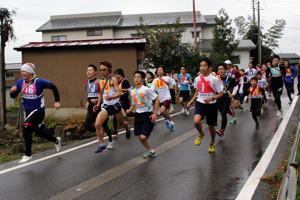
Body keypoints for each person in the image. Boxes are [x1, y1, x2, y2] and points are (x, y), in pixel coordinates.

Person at [10, 63, 61, 164]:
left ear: (30, 72)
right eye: (21, 71)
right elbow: (13, 96)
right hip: (28, 112)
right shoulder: (20, 82)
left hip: (39, 110)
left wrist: (57, 101)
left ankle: (28, 155)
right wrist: (12, 92)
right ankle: (56, 140)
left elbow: (53, 87)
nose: (22, 73)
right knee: (39, 132)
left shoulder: (39, 82)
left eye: (24, 71)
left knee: (25, 128)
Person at [93, 60, 131, 153]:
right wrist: (97, 105)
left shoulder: (113, 79)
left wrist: (111, 97)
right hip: (106, 106)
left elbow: (119, 94)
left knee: (122, 124)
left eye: (104, 69)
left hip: (115, 106)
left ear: (109, 69)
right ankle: (102, 145)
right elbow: (101, 95)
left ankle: (127, 128)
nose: (102, 72)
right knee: (97, 124)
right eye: (100, 70)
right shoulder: (101, 81)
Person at [187, 58, 223, 153]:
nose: (202, 68)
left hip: (211, 105)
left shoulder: (214, 79)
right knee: (196, 121)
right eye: (201, 66)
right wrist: (191, 101)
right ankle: (201, 133)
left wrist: (212, 99)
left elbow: (221, 93)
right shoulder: (197, 79)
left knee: (211, 128)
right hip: (200, 103)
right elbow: (197, 92)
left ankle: (212, 141)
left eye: (204, 65)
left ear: (210, 67)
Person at [126, 71, 160, 158]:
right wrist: (130, 110)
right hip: (138, 115)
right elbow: (134, 104)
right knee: (139, 136)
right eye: (135, 77)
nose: (136, 79)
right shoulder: (133, 91)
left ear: (142, 79)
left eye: (138, 77)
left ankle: (149, 127)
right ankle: (151, 151)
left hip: (147, 114)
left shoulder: (146, 90)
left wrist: (155, 113)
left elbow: (157, 99)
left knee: (143, 137)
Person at [84, 64, 114, 148]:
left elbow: (103, 93)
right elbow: (88, 94)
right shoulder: (86, 83)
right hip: (91, 107)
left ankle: (111, 140)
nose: (88, 72)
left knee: (104, 125)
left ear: (95, 72)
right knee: (87, 126)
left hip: (101, 106)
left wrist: (97, 100)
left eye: (90, 70)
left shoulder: (100, 82)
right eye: (87, 70)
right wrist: (87, 102)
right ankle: (99, 131)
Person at [151, 66, 178, 131]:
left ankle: (166, 121)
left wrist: (176, 93)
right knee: (165, 112)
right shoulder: (155, 80)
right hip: (160, 98)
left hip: (167, 97)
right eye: (158, 70)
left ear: (163, 71)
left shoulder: (167, 78)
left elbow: (174, 84)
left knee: (162, 110)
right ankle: (171, 122)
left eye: (161, 70)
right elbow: (152, 90)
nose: (159, 71)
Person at [216, 63, 238, 137]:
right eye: (219, 69)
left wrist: (233, 94)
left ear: (225, 70)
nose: (221, 71)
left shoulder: (230, 79)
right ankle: (228, 109)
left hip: (226, 97)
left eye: (222, 69)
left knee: (223, 113)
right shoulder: (216, 79)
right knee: (221, 110)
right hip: (218, 97)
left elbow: (236, 86)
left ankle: (222, 130)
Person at [112, 68, 132, 135]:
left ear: (121, 74)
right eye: (115, 74)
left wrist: (121, 89)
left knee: (128, 114)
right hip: (118, 101)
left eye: (117, 74)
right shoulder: (115, 82)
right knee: (115, 116)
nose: (116, 76)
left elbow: (130, 89)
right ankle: (115, 130)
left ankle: (141, 117)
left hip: (125, 100)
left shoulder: (124, 81)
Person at [223, 60, 243, 124]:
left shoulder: (235, 71)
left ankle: (239, 104)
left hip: (235, 89)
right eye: (225, 64)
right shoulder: (223, 71)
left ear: (230, 65)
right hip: (228, 91)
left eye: (227, 64)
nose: (226, 65)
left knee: (236, 106)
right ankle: (234, 118)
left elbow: (241, 78)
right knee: (231, 106)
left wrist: (241, 88)